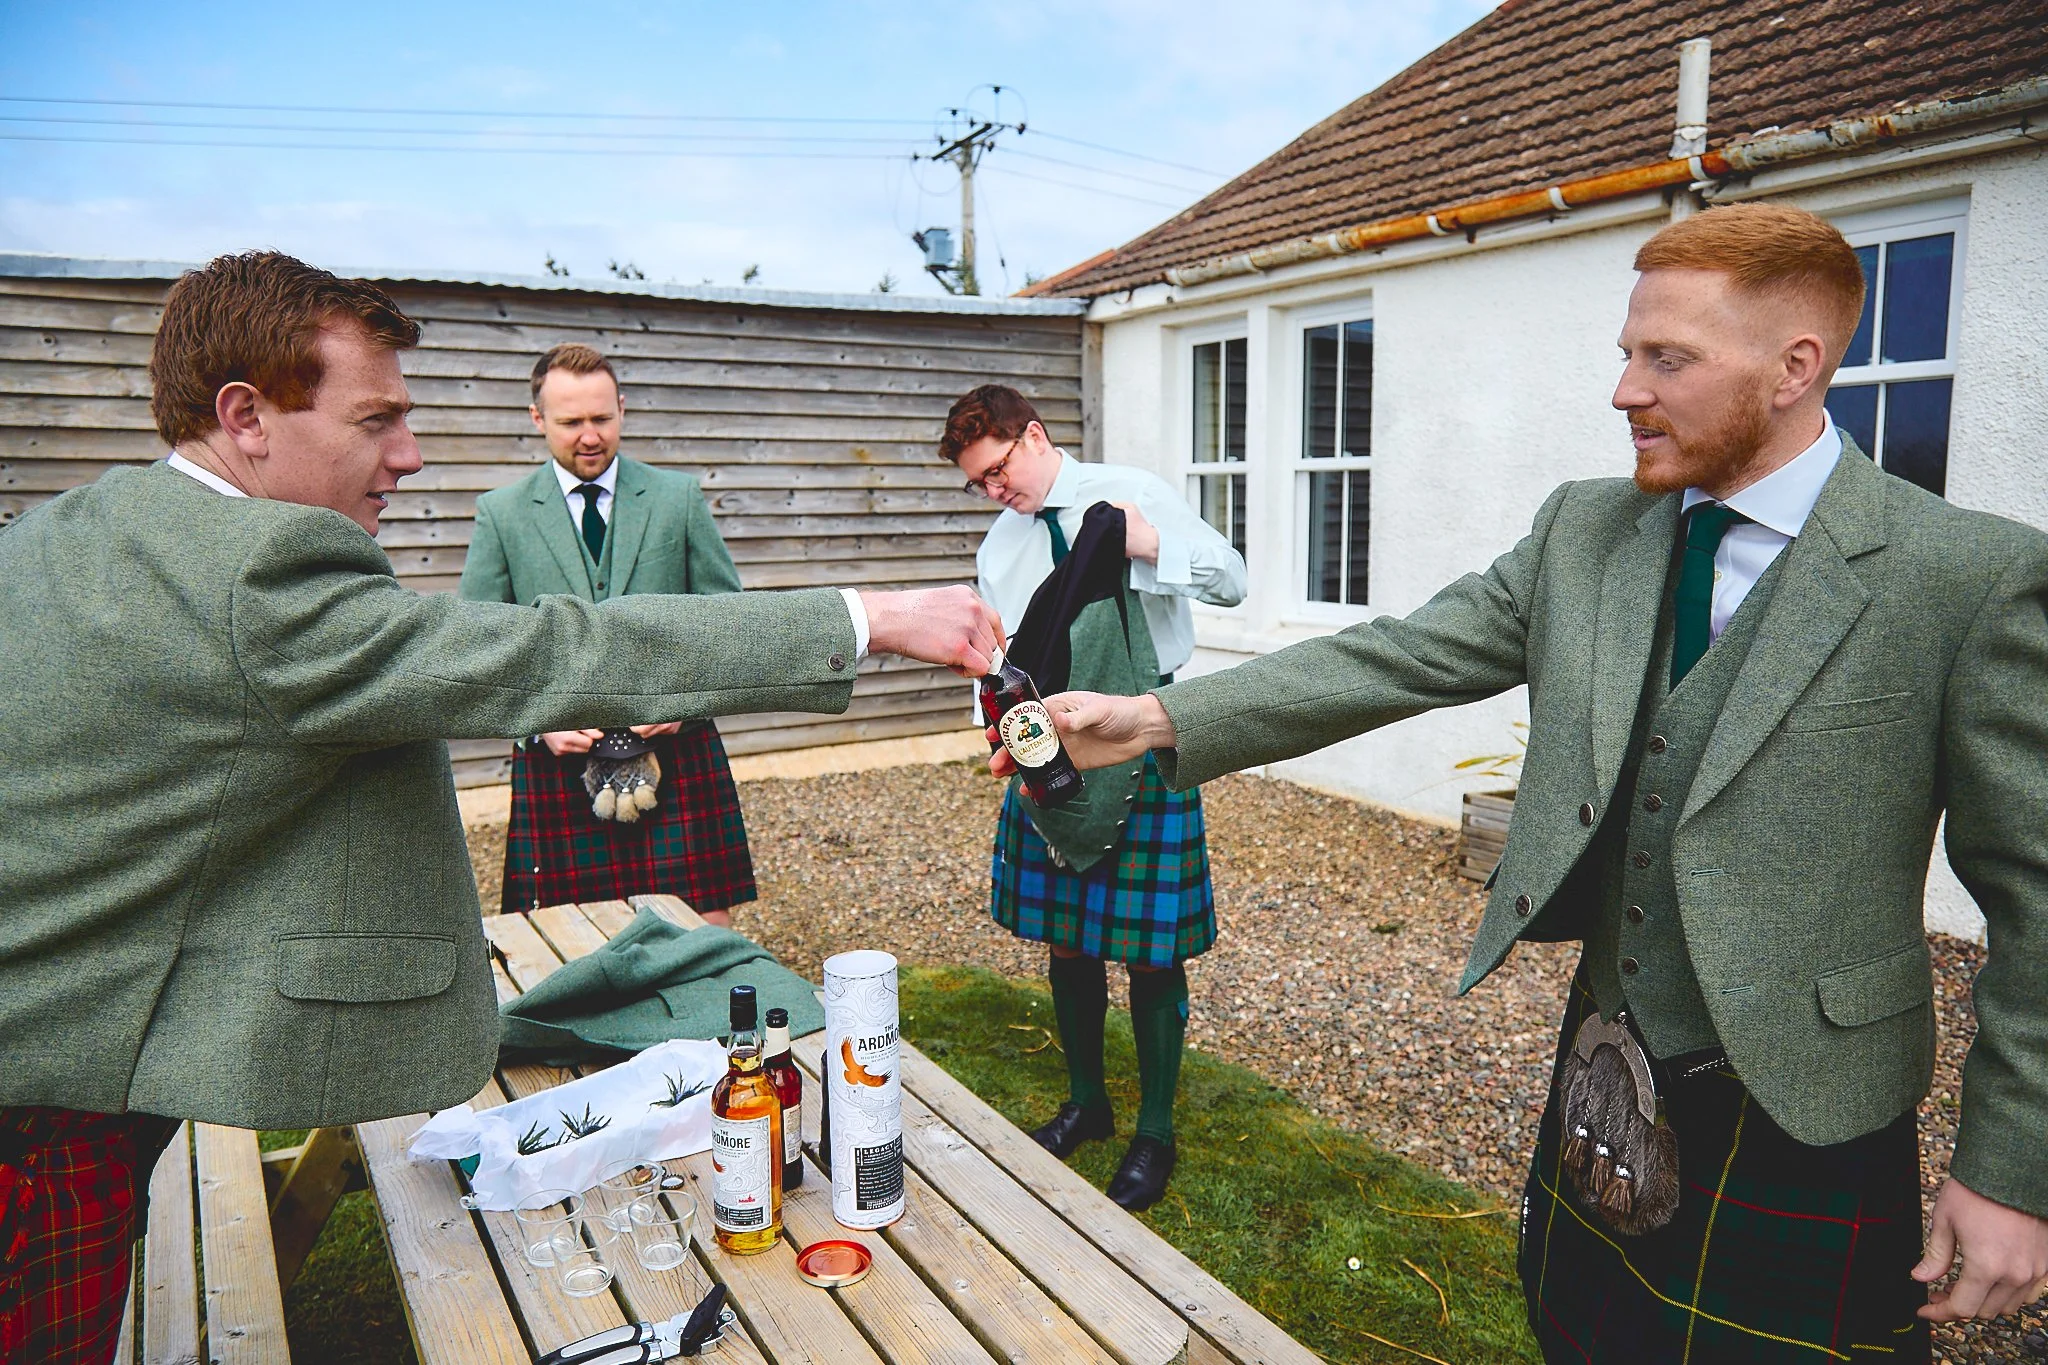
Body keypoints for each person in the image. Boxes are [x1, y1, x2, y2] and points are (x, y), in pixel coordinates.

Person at [1000, 205, 2048, 1357]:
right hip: (1604, 1061)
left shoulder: (1964, 579)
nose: (1624, 392)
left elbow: (2036, 896)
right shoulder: (1585, 531)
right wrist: (1153, 717)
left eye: (1667, 360)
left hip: (1807, 1104)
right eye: (1624, 354)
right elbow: (1396, 654)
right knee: (1573, 1333)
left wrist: (2009, 1168)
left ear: (1796, 368)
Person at [0, 250, 1001, 1365]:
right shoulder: (253, 573)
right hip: (39, 1110)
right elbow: (535, 648)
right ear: (245, 414)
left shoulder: (67, 533)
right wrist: (866, 616)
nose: (408, 454)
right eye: (376, 419)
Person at [945, 384, 1247, 1211]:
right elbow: (995, 660)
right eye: (979, 482)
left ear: (1035, 435)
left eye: (999, 470)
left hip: (1145, 735)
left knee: (1153, 949)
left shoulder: (1131, 494)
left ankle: (1155, 1130)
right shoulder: (999, 547)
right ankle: (1088, 1103)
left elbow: (1233, 581)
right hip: (1050, 747)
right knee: (1068, 938)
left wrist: (1143, 544)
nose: (994, 491)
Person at [460, 343, 759, 925]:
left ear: (621, 408)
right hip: (557, 760)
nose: (589, 436)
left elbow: (729, 617)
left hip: (678, 746)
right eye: (571, 422)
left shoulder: (678, 498)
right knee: (570, 938)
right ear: (537, 419)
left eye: (602, 418)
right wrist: (537, 724)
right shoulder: (502, 513)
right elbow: (478, 641)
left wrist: (689, 704)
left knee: (702, 932)